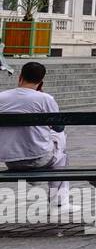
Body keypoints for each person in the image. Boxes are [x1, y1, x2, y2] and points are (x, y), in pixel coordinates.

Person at [0, 61, 69, 207]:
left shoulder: (2, 97)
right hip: (39, 158)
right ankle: (59, 201)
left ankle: (34, 178)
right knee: (61, 145)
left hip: (10, 160)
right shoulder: (45, 99)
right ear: (41, 81)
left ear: (20, 77)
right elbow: (58, 127)